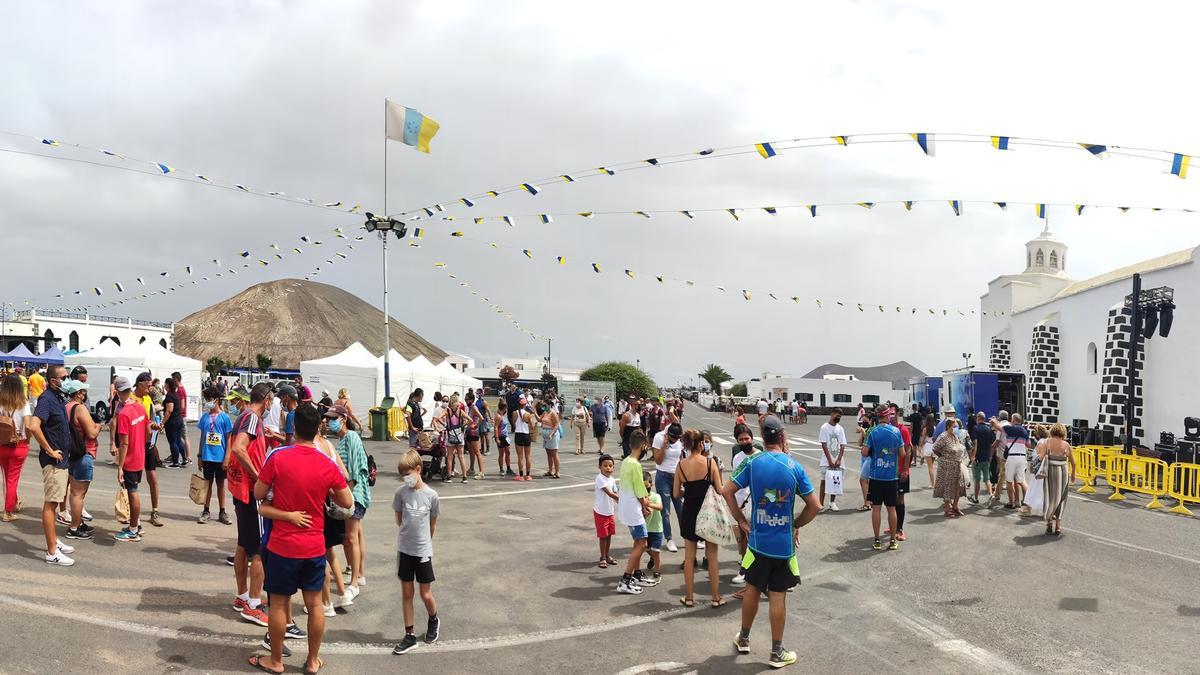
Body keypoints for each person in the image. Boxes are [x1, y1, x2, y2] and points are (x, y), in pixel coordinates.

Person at [248, 404, 352, 675]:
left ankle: (276, 660)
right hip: (314, 545)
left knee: (279, 603)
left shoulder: (277, 456)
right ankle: (312, 660)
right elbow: (346, 501)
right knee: (315, 603)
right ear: (318, 428)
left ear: (294, 429)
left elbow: (259, 492)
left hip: (283, 545)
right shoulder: (326, 463)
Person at [723, 415, 818, 669]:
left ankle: (743, 638)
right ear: (783, 436)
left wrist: (742, 521)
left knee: (753, 587)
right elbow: (815, 506)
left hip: (756, 543)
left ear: (762, 437)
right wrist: (795, 524)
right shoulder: (794, 466)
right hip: (783, 546)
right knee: (778, 595)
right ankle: (776, 652)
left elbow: (726, 490)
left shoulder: (753, 462)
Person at [227, 381, 272, 627]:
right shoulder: (252, 418)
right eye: (271, 400)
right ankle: (254, 604)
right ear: (266, 400)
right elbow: (239, 448)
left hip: (239, 488)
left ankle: (242, 595)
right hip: (250, 490)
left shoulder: (244, 417)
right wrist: (259, 476)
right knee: (259, 551)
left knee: (244, 544)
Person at [25, 364, 77, 566]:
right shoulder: (46, 399)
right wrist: (48, 449)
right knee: (51, 504)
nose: (67, 379)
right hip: (53, 461)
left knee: (55, 501)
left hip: (61, 460)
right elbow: (33, 425)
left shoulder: (57, 397)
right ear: (54, 381)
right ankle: (51, 551)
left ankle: (54, 540)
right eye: (64, 377)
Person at [391, 449, 442, 655]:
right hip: (405, 550)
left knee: (425, 593)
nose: (406, 478)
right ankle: (409, 634)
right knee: (406, 593)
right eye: (403, 475)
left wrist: (423, 544)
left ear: (418, 470)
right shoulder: (400, 493)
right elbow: (399, 519)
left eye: (408, 473)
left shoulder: (432, 495)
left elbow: (432, 525)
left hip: (422, 551)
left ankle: (433, 619)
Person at [674, 429, 725, 608]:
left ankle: (689, 597)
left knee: (689, 557)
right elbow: (719, 489)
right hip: (708, 514)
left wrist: (689, 491)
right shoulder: (710, 463)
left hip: (689, 511)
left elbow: (675, 493)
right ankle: (716, 597)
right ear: (701, 443)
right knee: (712, 556)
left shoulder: (680, 465)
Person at [328, 404, 370, 601]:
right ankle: (359, 574)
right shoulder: (342, 440)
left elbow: (352, 472)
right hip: (351, 493)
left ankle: (354, 581)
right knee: (357, 535)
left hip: (354, 494)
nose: (329, 422)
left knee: (350, 538)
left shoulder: (351, 437)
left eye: (333, 418)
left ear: (343, 419)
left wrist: (345, 496)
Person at [615, 430, 655, 594]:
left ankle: (637, 574)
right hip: (633, 509)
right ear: (643, 446)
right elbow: (640, 490)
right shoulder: (636, 465)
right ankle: (625, 579)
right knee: (643, 543)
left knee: (637, 542)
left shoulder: (626, 461)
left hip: (627, 507)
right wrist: (645, 504)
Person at [862, 406, 903, 551]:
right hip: (891, 477)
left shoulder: (872, 431)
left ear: (877, 416)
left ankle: (877, 540)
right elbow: (902, 453)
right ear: (888, 415)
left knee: (876, 508)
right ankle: (892, 540)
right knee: (892, 509)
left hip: (876, 476)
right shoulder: (896, 431)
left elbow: (865, 452)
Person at [64, 379, 100, 540]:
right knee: (79, 493)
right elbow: (92, 433)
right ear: (78, 393)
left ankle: (77, 523)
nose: (85, 394)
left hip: (72, 453)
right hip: (83, 453)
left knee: (74, 492)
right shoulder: (79, 408)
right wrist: (98, 426)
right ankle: (74, 528)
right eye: (83, 391)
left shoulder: (66, 407)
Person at [197, 387, 233, 524]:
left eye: (209, 399)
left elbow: (229, 438)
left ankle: (222, 511)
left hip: (220, 457)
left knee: (220, 485)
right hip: (207, 456)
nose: (208, 402)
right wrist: (199, 456)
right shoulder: (204, 417)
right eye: (206, 400)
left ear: (216, 400)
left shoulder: (225, 418)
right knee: (207, 484)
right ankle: (206, 510)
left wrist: (227, 457)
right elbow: (202, 437)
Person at [728, 424, 757, 592]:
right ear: (737, 441)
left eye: (747, 438)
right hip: (741, 503)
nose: (745, 441)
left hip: (757, 503)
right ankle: (745, 569)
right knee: (744, 539)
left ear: (752, 439)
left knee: (756, 539)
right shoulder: (738, 458)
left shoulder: (760, 456)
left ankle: (756, 571)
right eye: (741, 440)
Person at [0, 373, 31, 522]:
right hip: (19, 444)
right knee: (13, 479)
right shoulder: (23, 403)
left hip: (2, 444)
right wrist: (28, 439)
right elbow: (28, 425)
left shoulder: (1, 401)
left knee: (7, 477)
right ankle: (8, 512)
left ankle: (14, 502)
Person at [1040, 423, 1075, 536]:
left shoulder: (1047, 442)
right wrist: (1073, 474)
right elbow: (1073, 462)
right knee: (1061, 498)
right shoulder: (1066, 445)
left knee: (1049, 496)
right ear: (1063, 433)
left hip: (1050, 471)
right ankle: (1058, 526)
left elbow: (1040, 457)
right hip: (1063, 472)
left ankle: (1049, 522)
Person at [993, 413, 1030, 510]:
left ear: (1014, 420)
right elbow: (1029, 444)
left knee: (1009, 481)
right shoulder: (1025, 431)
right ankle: (1026, 502)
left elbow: (997, 427)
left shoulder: (1010, 428)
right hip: (1022, 458)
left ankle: (1011, 502)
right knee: (1021, 481)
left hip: (1012, 457)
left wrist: (994, 421)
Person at [932, 417, 967, 518]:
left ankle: (955, 506)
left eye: (956, 426)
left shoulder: (955, 436)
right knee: (948, 486)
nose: (956, 428)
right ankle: (947, 508)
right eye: (954, 426)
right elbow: (935, 448)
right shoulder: (943, 436)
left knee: (958, 487)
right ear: (948, 427)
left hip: (957, 465)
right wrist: (942, 457)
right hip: (947, 466)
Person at [890, 413, 914, 542]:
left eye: (894, 414)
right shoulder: (887, 429)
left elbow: (908, 451)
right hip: (890, 472)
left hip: (901, 471)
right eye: (890, 414)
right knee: (891, 500)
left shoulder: (903, 430)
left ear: (898, 414)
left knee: (900, 499)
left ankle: (900, 529)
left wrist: (905, 470)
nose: (892, 417)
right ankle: (893, 525)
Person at [818, 410, 847, 511]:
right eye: (837, 415)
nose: (838, 417)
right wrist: (830, 460)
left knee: (836, 480)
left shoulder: (840, 429)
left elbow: (843, 445)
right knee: (824, 481)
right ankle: (820, 504)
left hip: (838, 458)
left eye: (840, 416)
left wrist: (838, 459)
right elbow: (824, 444)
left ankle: (832, 502)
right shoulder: (824, 427)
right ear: (832, 414)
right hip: (827, 459)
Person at [593, 454, 618, 568]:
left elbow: (615, 492)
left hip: (610, 512)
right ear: (599, 467)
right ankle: (602, 557)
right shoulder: (600, 478)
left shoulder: (612, 480)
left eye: (610, 466)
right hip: (600, 512)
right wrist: (622, 500)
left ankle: (607, 555)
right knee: (603, 536)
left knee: (609, 535)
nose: (608, 468)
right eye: (605, 466)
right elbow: (610, 493)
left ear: (613, 467)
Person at [440, 393, 468, 484]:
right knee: (461, 456)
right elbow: (470, 420)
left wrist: (444, 424)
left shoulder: (447, 411)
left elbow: (437, 418)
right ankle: (464, 477)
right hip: (459, 436)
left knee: (450, 457)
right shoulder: (461, 411)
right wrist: (463, 426)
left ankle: (449, 477)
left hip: (450, 436)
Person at [968, 412, 995, 505]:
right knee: (987, 479)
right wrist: (990, 455)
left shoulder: (976, 428)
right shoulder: (989, 429)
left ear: (978, 418)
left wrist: (973, 456)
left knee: (977, 480)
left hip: (978, 457)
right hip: (986, 457)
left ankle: (975, 498)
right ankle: (991, 494)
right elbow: (991, 444)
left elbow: (975, 443)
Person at [642, 470, 664, 585]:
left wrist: (648, 504)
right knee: (646, 548)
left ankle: (657, 571)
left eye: (647, 486)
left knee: (656, 551)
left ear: (651, 484)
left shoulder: (656, 496)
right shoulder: (639, 498)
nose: (646, 489)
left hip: (656, 529)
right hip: (645, 529)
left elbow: (660, 507)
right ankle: (653, 559)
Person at [162, 378, 187, 467]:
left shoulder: (170, 396)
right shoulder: (176, 394)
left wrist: (162, 422)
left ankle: (175, 462)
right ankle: (184, 459)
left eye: (165, 384)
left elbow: (169, 410)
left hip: (172, 421)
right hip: (179, 419)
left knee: (173, 442)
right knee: (178, 440)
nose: (164, 385)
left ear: (167, 385)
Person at [171, 371, 193, 466]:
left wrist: (178, 413)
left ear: (176, 379)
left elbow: (182, 404)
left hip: (181, 416)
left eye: (173, 379)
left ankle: (188, 456)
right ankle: (186, 456)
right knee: (181, 437)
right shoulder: (181, 389)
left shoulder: (180, 390)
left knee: (183, 437)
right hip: (181, 416)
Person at [513, 397, 536, 481]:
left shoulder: (514, 413)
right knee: (528, 456)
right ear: (525, 405)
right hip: (526, 435)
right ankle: (528, 475)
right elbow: (532, 426)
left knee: (520, 456)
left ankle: (521, 475)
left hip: (518, 434)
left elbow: (514, 423)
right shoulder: (528, 414)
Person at [463, 390, 485, 480]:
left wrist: (476, 426)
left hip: (473, 432)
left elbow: (481, 418)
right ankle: (471, 469)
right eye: (465, 399)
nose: (466, 401)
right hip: (468, 432)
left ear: (471, 399)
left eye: (467, 399)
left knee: (477, 452)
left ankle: (481, 472)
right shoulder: (469, 408)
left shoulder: (474, 407)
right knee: (471, 452)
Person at [539, 400, 561, 478]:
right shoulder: (545, 412)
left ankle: (557, 472)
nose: (543, 407)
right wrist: (534, 410)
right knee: (548, 452)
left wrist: (551, 434)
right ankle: (550, 470)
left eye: (545, 405)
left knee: (554, 453)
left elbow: (556, 425)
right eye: (542, 406)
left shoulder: (553, 413)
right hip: (546, 434)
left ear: (549, 405)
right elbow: (539, 419)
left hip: (552, 434)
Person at [493, 401, 514, 477]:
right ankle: (501, 468)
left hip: (505, 436)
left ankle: (508, 468)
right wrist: (497, 438)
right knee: (501, 453)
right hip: (500, 436)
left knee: (508, 452)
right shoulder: (498, 416)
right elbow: (495, 427)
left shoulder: (503, 415)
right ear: (504, 407)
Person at [919, 413, 936, 485]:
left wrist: (920, 446)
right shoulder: (935, 428)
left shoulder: (925, 429)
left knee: (930, 467)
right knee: (932, 465)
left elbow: (923, 439)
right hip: (934, 446)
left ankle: (932, 483)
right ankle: (931, 482)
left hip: (928, 446)